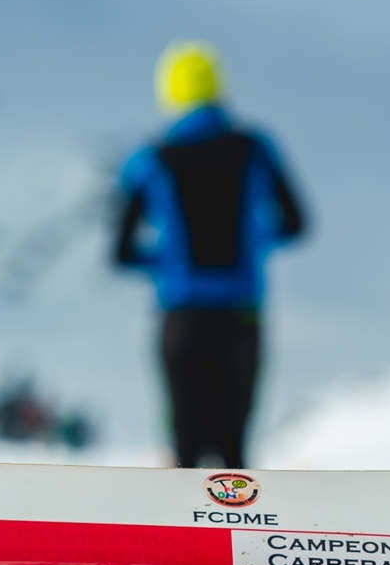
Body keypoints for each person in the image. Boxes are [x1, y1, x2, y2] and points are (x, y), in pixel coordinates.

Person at [114, 42, 308, 468]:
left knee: (185, 451)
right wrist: (253, 243)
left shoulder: (150, 160)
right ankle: (242, 533)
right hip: (242, 315)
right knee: (233, 453)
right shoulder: (257, 149)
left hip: (182, 317)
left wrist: (165, 262)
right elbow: (295, 222)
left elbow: (122, 252)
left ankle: (181, 535)